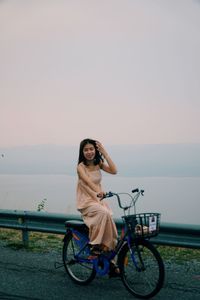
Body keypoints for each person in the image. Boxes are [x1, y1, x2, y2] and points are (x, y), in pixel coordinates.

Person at [76, 138, 120, 276]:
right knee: (103, 213)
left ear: (95, 150)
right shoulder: (80, 167)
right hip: (86, 201)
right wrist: (98, 192)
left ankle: (110, 262)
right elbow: (88, 182)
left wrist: (105, 152)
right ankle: (94, 245)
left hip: (98, 200)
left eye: (91, 149)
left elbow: (114, 171)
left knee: (110, 225)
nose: (89, 152)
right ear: (82, 152)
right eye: (86, 149)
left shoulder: (98, 163)